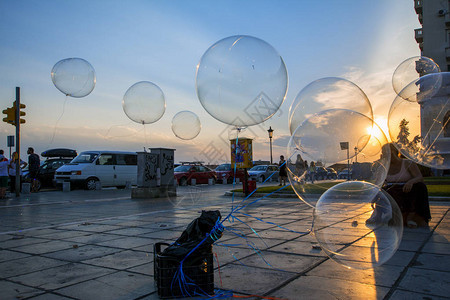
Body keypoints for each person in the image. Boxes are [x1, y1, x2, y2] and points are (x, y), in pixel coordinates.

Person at [381, 143, 431, 228]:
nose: (386, 155)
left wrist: (410, 182)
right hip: (394, 192)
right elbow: (381, 182)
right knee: (386, 191)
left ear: (394, 152)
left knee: (420, 187)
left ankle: (411, 217)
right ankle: (396, 217)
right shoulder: (384, 166)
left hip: (408, 190)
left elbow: (419, 177)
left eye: (387, 152)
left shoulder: (408, 163)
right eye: (384, 153)